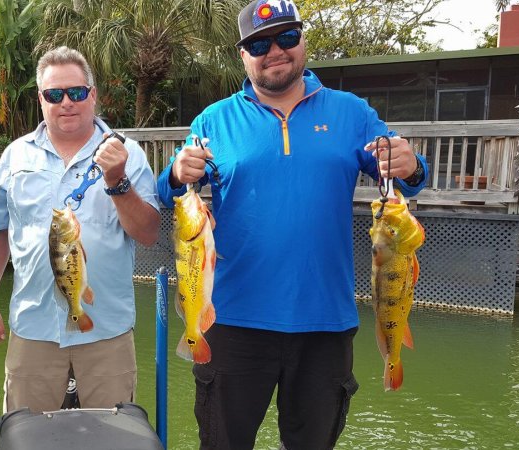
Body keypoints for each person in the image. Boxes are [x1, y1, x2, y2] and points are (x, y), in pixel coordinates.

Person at [156, 1, 429, 449]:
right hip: (232, 322)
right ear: (243, 55)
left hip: (325, 323)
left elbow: (411, 177)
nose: (275, 51)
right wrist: (175, 172)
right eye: (260, 44)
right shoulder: (214, 120)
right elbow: (167, 194)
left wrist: (410, 163)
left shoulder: (352, 112)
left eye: (286, 38)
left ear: (303, 41)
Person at [0, 46, 160, 413]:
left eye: (76, 92)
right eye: (54, 94)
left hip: (105, 331)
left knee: (111, 439)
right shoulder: (15, 156)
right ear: (41, 99)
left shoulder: (128, 154)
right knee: (27, 437)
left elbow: (148, 233)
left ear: (92, 95)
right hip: (33, 328)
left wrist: (117, 181)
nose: (67, 103)